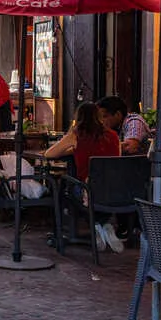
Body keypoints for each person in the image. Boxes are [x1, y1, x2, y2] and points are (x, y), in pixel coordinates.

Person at [44, 101, 123, 251]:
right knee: (92, 191)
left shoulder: (77, 135)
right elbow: (115, 160)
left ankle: (92, 227)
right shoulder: (114, 136)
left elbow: (49, 154)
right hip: (114, 190)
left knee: (63, 188)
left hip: (87, 190)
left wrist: (73, 147)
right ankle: (103, 225)